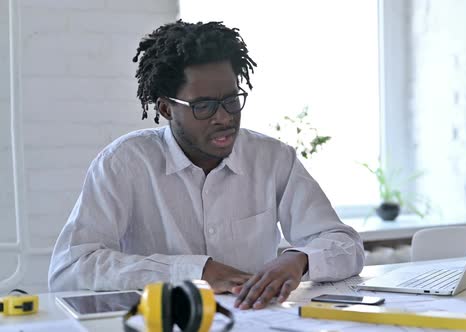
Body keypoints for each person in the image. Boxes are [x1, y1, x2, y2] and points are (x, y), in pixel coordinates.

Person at [48, 20, 364, 310]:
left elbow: (345, 245)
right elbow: (71, 268)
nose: (224, 117)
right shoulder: (124, 163)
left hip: (253, 321)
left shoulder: (273, 157)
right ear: (167, 109)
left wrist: (300, 259)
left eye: (230, 100)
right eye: (204, 106)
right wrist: (195, 271)